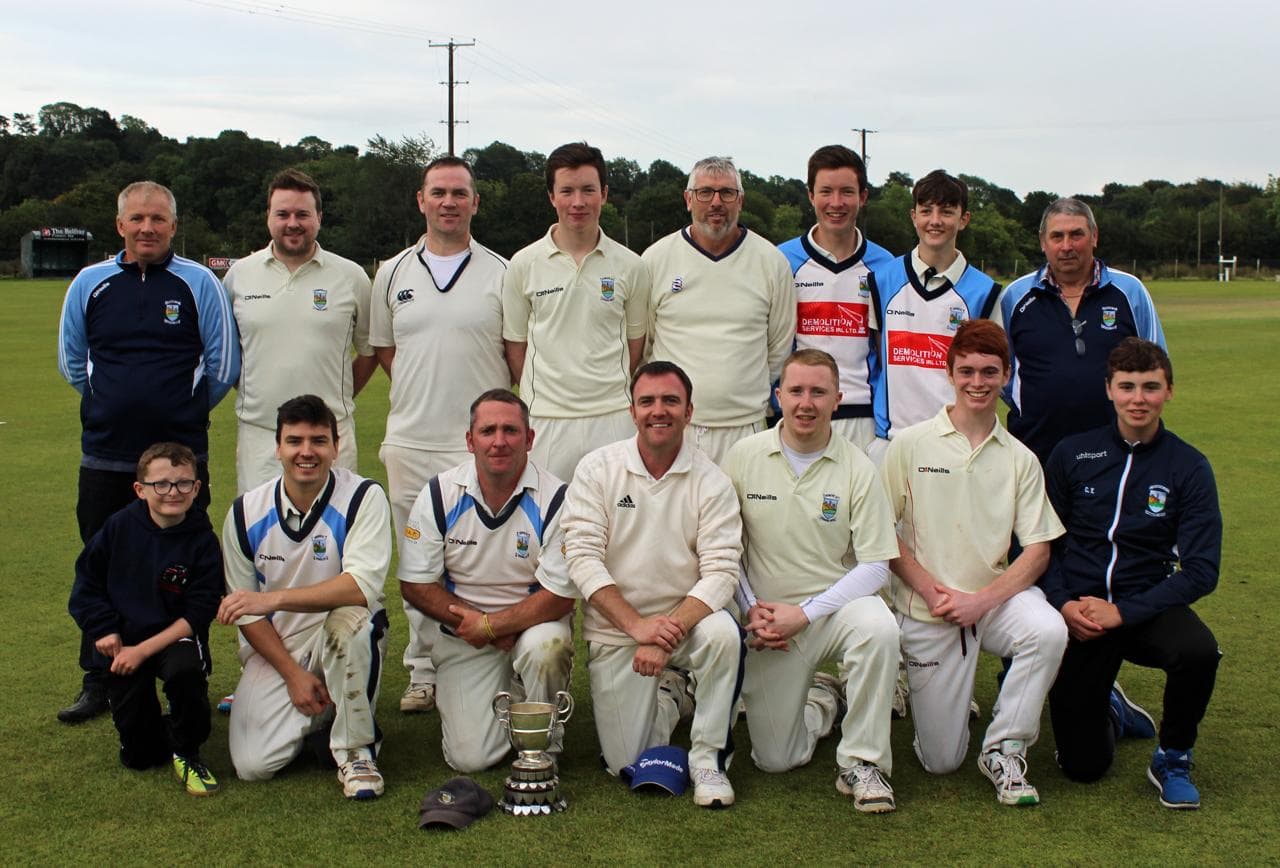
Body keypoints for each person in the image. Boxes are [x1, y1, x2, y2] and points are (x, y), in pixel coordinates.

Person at [57, 180, 239, 724]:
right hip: (107, 453)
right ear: (120, 225)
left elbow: (222, 364)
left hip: (181, 458)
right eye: (137, 218)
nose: (147, 228)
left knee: (188, 562)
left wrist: (180, 410)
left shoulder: (198, 282)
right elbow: (72, 362)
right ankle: (99, 677)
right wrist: (112, 404)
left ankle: (190, 668)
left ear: (173, 225)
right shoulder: (89, 283)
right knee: (101, 561)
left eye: (158, 219)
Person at [882, 320, 1066, 806]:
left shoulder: (1020, 458)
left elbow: (1038, 549)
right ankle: (942, 696)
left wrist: (980, 601)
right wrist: (932, 592)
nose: (977, 383)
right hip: (931, 610)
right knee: (941, 761)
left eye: (989, 372)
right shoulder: (910, 444)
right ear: (949, 373)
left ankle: (1005, 748)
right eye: (967, 371)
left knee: (1047, 630)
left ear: (1006, 374)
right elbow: (882, 533)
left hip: (991, 602)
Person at [1043, 338, 1221, 809]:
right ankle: (1113, 711)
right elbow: (1041, 543)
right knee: (1082, 768)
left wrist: (1123, 611)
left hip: (1144, 606)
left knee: (1199, 651)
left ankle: (1173, 757)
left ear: (1169, 391)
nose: (1138, 398)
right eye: (1127, 386)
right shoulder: (1072, 454)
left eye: (1150, 387)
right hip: (1081, 611)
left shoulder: (1189, 466)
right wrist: (1063, 603)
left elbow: (1202, 570)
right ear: (1109, 389)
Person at [723, 349, 900, 812]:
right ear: (777, 396)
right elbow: (726, 549)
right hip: (768, 623)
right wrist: (752, 609)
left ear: (838, 399)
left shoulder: (858, 466)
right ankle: (823, 702)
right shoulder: (743, 456)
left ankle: (863, 762)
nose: (806, 403)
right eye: (796, 391)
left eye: (818, 392)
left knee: (879, 627)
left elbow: (876, 565)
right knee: (776, 760)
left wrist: (805, 613)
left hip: (832, 612)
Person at [562, 361, 745, 808]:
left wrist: (665, 633)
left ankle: (708, 759)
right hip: (619, 629)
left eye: (670, 401)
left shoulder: (712, 481)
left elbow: (722, 572)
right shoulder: (597, 469)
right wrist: (637, 627)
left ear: (689, 411)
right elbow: (581, 557)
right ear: (632, 411)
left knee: (725, 634)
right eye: (647, 401)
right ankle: (675, 692)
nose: (658, 411)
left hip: (690, 624)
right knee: (626, 762)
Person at [370, 155, 512, 715]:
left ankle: (491, 664)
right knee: (419, 564)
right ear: (421, 200)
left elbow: (515, 357)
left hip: (479, 448)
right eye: (438, 192)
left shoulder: (503, 271)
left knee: (483, 564)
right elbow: (387, 350)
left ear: (475, 202)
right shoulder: (392, 272)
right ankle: (423, 671)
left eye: (459, 193)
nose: (448, 202)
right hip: (410, 441)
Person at [217, 395, 392, 800]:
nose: (306, 452)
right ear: (277, 447)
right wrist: (293, 675)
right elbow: (247, 613)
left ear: (336, 446)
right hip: (279, 644)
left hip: (342, 628)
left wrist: (272, 599)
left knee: (352, 623)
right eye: (294, 441)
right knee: (252, 765)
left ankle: (356, 751)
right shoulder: (245, 512)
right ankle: (324, 716)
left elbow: (359, 587)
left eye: (319, 440)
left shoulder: (363, 496)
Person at [397, 389, 576, 773]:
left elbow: (561, 596)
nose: (499, 441)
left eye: (511, 431)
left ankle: (546, 742)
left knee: (548, 645)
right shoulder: (439, 493)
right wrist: (484, 628)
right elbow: (415, 584)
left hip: (532, 630)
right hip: (465, 636)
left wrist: (494, 625)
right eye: (488, 431)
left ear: (529, 438)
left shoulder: (557, 498)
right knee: (470, 759)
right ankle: (513, 693)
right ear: (470, 440)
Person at [68, 442, 223, 795]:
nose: (173, 492)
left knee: (185, 673)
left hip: (174, 636)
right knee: (141, 756)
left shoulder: (202, 539)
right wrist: (104, 630)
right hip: (124, 640)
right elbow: (87, 584)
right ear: (140, 489)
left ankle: (187, 750)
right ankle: (153, 730)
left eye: (183, 483)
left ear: (197, 487)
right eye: (161, 484)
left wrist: (143, 651)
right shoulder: (118, 527)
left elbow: (199, 611)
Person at [502, 142, 650, 480]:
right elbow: (515, 344)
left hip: (613, 417)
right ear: (551, 197)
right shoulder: (523, 264)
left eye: (588, 190)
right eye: (567, 191)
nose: (578, 202)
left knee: (617, 511)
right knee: (549, 513)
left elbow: (635, 344)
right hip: (546, 420)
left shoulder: (631, 265)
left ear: (604, 194)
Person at [224, 167, 377, 492]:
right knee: (260, 524)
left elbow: (369, 351)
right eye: (283, 214)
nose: (292, 223)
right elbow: (228, 354)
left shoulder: (351, 277)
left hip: (330, 435)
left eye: (302, 214)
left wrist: (338, 396)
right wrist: (255, 392)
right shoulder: (239, 276)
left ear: (319, 217)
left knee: (334, 523)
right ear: (268, 217)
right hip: (260, 436)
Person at [643, 156, 795, 465]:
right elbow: (645, 344)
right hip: (674, 426)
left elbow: (778, 347)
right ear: (688, 199)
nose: (716, 202)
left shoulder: (771, 262)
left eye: (726, 193)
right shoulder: (655, 259)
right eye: (705, 192)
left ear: (740, 200)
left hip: (746, 427)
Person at [999, 198, 1166, 465]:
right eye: (1057, 236)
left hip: (1115, 453)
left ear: (1094, 236)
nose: (1067, 246)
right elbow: (1002, 373)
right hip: (1034, 451)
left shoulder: (1130, 291)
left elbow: (1156, 366)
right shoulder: (1015, 296)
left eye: (1076, 234)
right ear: (1043, 242)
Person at [867, 170, 1001, 459]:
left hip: (955, 444)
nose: (935, 220)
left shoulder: (985, 291)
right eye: (926, 210)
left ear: (964, 219)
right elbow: (878, 352)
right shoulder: (881, 280)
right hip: (891, 441)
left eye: (947, 211)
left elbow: (990, 371)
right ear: (913, 216)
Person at [779, 145, 894, 452]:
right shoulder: (781, 260)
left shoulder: (885, 266)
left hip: (863, 416)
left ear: (863, 196)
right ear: (810, 195)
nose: (836, 203)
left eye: (847, 192)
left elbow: (886, 349)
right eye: (826, 191)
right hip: (799, 413)